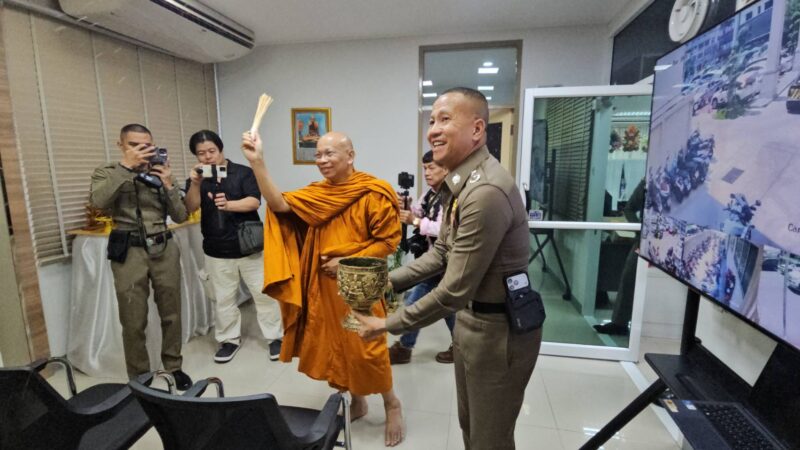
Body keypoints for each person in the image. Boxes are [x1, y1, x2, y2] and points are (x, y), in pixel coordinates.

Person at [355, 87, 542, 449]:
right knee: (471, 430)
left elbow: (453, 290)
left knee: (489, 441)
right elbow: (441, 252)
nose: (433, 130)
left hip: (497, 333)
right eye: (432, 121)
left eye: (445, 119)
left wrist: (386, 324)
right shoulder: (461, 185)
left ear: (477, 129)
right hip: (472, 325)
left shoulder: (485, 191)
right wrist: (384, 282)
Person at [240, 130, 405, 447]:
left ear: (350, 156)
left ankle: (391, 403)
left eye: (329, 153)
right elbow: (278, 203)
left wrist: (346, 260)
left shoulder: (374, 192)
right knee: (337, 347)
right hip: (323, 286)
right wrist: (257, 161)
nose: (322, 160)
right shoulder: (318, 193)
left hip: (359, 286)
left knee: (367, 349)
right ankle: (358, 401)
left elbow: (388, 242)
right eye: (317, 154)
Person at [89, 123, 192, 389]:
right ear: (121, 145)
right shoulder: (107, 172)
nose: (140, 150)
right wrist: (126, 167)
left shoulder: (160, 170)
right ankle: (139, 377)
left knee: (172, 313)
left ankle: (174, 367)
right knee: (133, 319)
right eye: (133, 145)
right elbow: (98, 202)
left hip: (164, 246)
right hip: (129, 250)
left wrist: (168, 184)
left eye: (146, 145)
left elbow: (181, 215)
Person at [184, 130, 283, 363]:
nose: (208, 157)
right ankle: (228, 340)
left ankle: (275, 337)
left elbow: (254, 201)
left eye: (211, 151)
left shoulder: (243, 172)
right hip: (216, 249)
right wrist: (195, 184)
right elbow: (190, 207)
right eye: (201, 153)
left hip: (249, 247)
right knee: (223, 299)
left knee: (264, 295)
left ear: (220, 149)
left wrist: (229, 205)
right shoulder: (198, 178)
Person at [389, 150, 455, 365]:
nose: (426, 172)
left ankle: (404, 348)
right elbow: (418, 211)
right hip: (434, 261)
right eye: (424, 168)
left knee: (415, 303)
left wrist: (415, 222)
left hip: (446, 261)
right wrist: (406, 206)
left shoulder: (452, 196)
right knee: (446, 307)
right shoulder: (430, 194)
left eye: (431, 167)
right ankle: (459, 347)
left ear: (445, 169)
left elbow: (445, 229)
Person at [595, 178, 645, 336]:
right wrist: (641, 230)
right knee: (629, 277)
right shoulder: (648, 182)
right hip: (644, 240)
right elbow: (629, 209)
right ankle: (619, 323)